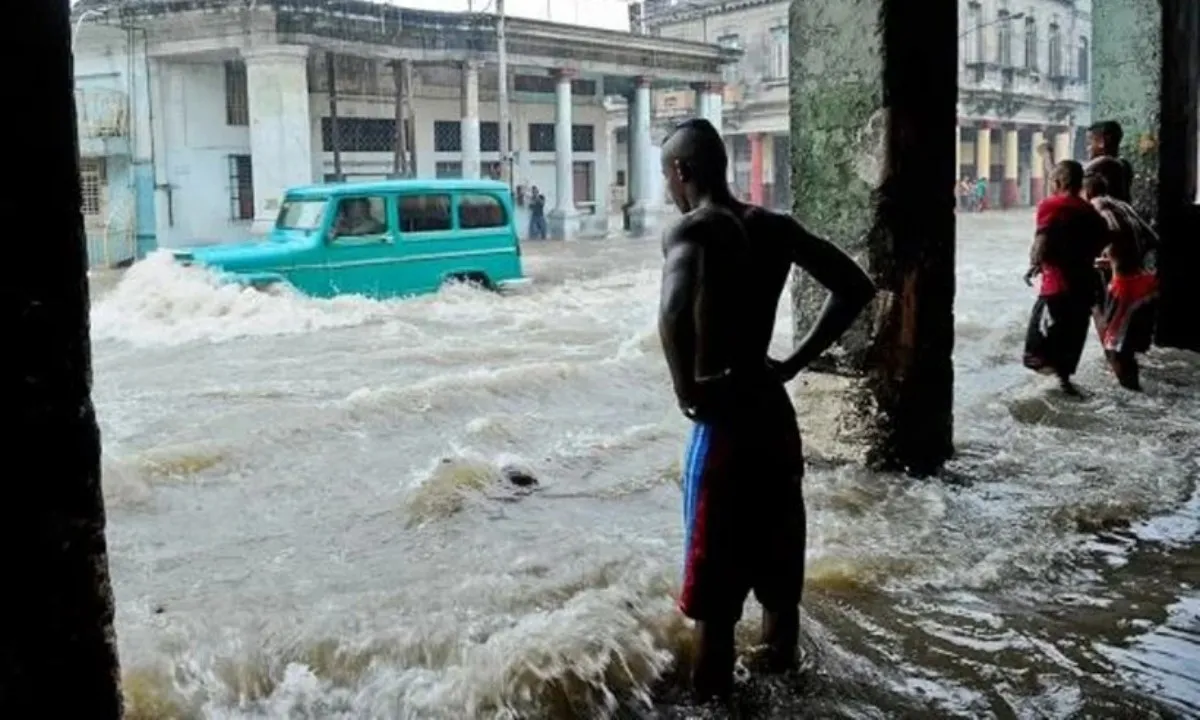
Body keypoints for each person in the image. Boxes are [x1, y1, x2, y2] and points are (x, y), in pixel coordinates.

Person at [657, 117, 874, 701]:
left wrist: (687, 391)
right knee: (780, 586)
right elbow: (855, 285)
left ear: (681, 171)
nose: (669, 193)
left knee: (715, 606)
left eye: (667, 179)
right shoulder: (775, 227)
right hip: (773, 414)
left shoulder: (693, 231)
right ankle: (787, 699)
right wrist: (795, 361)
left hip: (722, 420)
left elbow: (673, 314)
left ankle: (714, 709)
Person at [1022, 160, 1108, 396]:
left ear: (1058, 182)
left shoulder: (1051, 205)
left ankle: (1049, 399)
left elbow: (1041, 241)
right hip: (1084, 289)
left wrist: (1035, 263)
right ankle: (1065, 389)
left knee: (1036, 354)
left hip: (1056, 289)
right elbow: (1105, 236)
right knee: (1067, 353)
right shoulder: (1089, 210)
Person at [1083, 169, 1160, 391]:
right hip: (1146, 279)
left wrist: (1093, 254)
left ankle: (1136, 402)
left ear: (1087, 191)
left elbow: (1112, 230)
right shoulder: (1123, 206)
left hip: (1127, 286)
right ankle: (1133, 394)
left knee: (1115, 351)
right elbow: (1153, 239)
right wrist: (1115, 256)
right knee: (1123, 347)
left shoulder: (1096, 205)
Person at [1085, 120, 1135, 204]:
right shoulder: (1125, 164)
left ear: (1102, 142)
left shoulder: (1102, 164)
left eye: (1090, 142)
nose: (1087, 148)